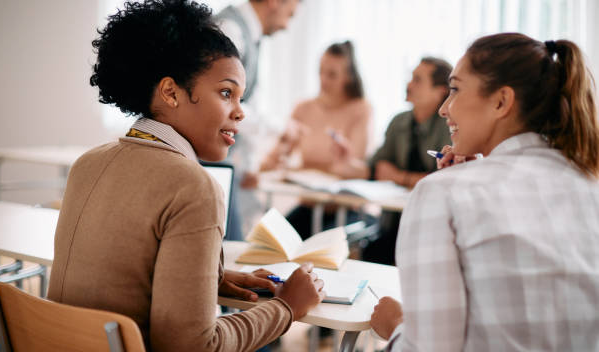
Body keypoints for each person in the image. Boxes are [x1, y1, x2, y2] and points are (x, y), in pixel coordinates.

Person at [47, 0, 325, 352]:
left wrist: (212, 278)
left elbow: (118, 274)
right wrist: (286, 308)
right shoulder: (194, 188)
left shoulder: (88, 163)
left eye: (241, 98)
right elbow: (191, 347)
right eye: (226, 93)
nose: (240, 112)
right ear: (171, 93)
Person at [370, 33, 599, 350]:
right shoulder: (589, 185)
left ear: (501, 101)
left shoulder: (442, 194)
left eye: (455, 90)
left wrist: (397, 326)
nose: (444, 109)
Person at [331, 57, 452, 265]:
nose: (409, 85)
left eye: (418, 80)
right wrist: (348, 163)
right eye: (410, 78)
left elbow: (445, 179)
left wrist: (399, 176)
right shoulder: (399, 122)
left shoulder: (449, 126)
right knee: (372, 253)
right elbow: (375, 169)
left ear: (440, 91)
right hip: (393, 223)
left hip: (431, 227)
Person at [214, 0, 303, 241]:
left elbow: (246, 103)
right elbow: (225, 102)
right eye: (290, 14)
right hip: (211, 162)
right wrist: (281, 127)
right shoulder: (229, 29)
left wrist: (250, 164)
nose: (287, 25)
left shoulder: (250, 37)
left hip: (231, 163)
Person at [254, 40, 373, 240]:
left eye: (332, 74)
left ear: (348, 77)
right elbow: (270, 163)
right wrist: (282, 149)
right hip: (308, 206)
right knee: (268, 240)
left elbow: (361, 170)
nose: (323, 80)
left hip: (344, 211)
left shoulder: (361, 109)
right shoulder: (303, 108)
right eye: (320, 72)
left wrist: (340, 164)